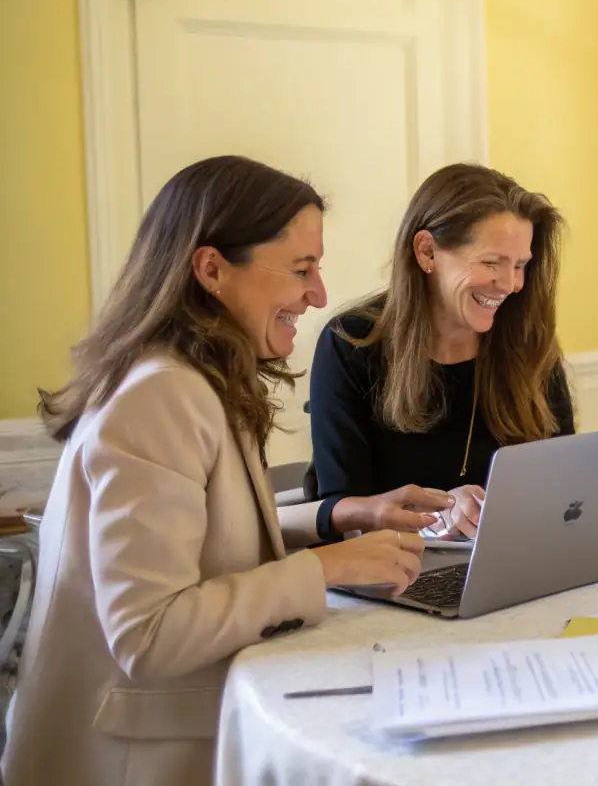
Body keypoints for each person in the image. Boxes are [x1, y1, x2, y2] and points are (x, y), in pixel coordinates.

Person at [2, 157, 423, 786]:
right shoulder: (160, 395)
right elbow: (150, 634)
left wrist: (345, 515)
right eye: (302, 269)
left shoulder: (190, 376)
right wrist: (321, 569)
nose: (320, 296)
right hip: (126, 760)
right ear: (211, 269)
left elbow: (204, 536)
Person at [305, 163, 575, 542]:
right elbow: (339, 508)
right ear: (427, 251)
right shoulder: (350, 344)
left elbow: (567, 480)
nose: (511, 284)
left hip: (516, 557)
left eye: (520, 265)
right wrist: (439, 509)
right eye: (491, 263)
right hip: (396, 569)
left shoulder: (528, 341)